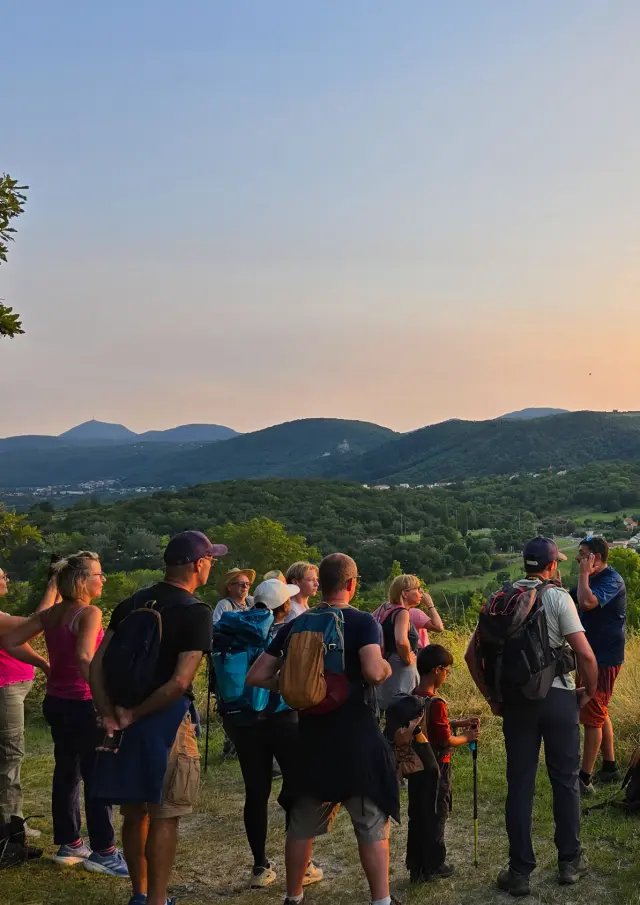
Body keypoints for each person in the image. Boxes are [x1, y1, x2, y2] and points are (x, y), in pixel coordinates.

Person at [247, 553, 398, 905]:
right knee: (370, 823)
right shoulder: (362, 622)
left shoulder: (295, 625)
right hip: (357, 736)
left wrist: (292, 685)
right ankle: (381, 900)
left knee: (301, 824)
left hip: (311, 737)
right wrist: (388, 671)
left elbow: (256, 676)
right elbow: (374, 672)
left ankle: (293, 896)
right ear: (351, 583)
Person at [89, 530, 225, 905]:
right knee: (165, 814)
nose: (211, 566)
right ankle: (157, 900)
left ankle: (139, 893)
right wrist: (134, 714)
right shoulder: (196, 612)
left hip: (122, 718)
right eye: (211, 560)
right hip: (166, 723)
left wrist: (110, 714)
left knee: (134, 812)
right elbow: (180, 681)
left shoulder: (130, 603)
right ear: (199, 564)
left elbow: (97, 665)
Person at [465, 536, 598, 897]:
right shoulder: (557, 597)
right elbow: (585, 656)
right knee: (565, 781)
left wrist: (492, 698)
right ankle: (570, 862)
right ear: (552, 566)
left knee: (520, 784)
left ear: (525, 564)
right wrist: (588, 692)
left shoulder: (500, 599)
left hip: (517, 705)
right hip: (558, 699)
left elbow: (468, 655)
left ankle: (520, 871)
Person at [3, 551, 128, 875]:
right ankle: (104, 851)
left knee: (67, 772)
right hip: (83, 703)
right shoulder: (89, 613)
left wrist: (47, 665)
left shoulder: (53, 614)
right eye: (99, 574)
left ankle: (70, 842)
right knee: (96, 775)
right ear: (82, 580)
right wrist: (105, 704)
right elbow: (86, 658)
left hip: (56, 702)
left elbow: (11, 640)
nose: (104, 579)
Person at [220, 578, 322, 890]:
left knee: (255, 792)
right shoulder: (283, 632)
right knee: (296, 789)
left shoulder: (234, 628)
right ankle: (303, 863)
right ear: (283, 607)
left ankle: (260, 867)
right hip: (280, 717)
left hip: (240, 720)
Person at [411, 644, 479, 882]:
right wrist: (467, 737)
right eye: (447, 671)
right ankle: (435, 864)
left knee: (418, 814)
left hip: (418, 767)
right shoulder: (437, 703)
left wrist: (458, 723)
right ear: (437, 670)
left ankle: (416, 865)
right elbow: (444, 739)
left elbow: (430, 727)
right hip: (438, 768)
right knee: (437, 814)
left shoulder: (414, 696)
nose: (447, 675)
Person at [0, 568, 57, 843]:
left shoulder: (4, 617)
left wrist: (42, 664)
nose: (6, 579)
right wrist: (53, 586)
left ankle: (12, 820)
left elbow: (22, 639)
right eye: (1, 576)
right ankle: (10, 827)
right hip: (4, 691)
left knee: (9, 757)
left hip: (12, 690)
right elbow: (39, 621)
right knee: (10, 756)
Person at [572, 536, 626, 795]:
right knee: (598, 709)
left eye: (583, 554)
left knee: (592, 715)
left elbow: (587, 602)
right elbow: (572, 599)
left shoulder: (611, 580)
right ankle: (610, 766)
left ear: (595, 556)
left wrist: (583, 575)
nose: (579, 559)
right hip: (589, 655)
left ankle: (584, 779)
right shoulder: (591, 579)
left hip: (603, 658)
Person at [373, 574, 420, 712]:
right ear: (405, 593)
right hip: (400, 667)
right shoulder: (402, 613)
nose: (420, 592)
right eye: (417, 589)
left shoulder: (384, 608)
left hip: (384, 661)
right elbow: (401, 641)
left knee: (384, 707)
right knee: (403, 709)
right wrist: (408, 659)